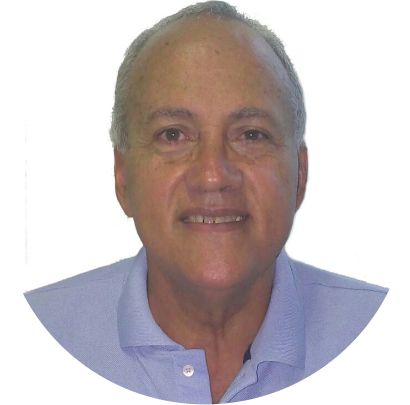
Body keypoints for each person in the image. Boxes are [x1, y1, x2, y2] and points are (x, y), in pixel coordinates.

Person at [24, 1, 388, 403]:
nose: (213, 175)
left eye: (251, 135)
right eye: (173, 135)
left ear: (299, 174)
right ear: (122, 176)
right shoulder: (26, 342)